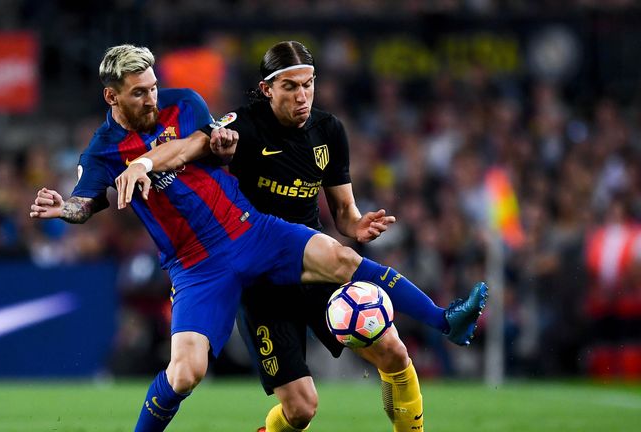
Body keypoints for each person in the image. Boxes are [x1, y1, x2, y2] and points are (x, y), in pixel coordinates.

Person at [29, 44, 487, 432]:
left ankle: (446, 320)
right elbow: (85, 203)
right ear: (112, 96)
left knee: (339, 256)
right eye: (138, 93)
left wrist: (184, 155)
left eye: (152, 86)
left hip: (247, 229)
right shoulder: (103, 149)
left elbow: (205, 143)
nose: (151, 99)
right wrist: (65, 209)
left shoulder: (183, 102)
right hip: (194, 267)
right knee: (186, 374)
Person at [203, 40, 487, 432]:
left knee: (394, 352)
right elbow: (200, 151)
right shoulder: (242, 127)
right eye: (290, 87)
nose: (302, 96)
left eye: (309, 84)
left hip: (313, 263)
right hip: (261, 280)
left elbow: (343, 212)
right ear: (267, 89)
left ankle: (441, 329)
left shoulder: (329, 131)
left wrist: (356, 225)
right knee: (301, 410)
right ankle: (443, 319)